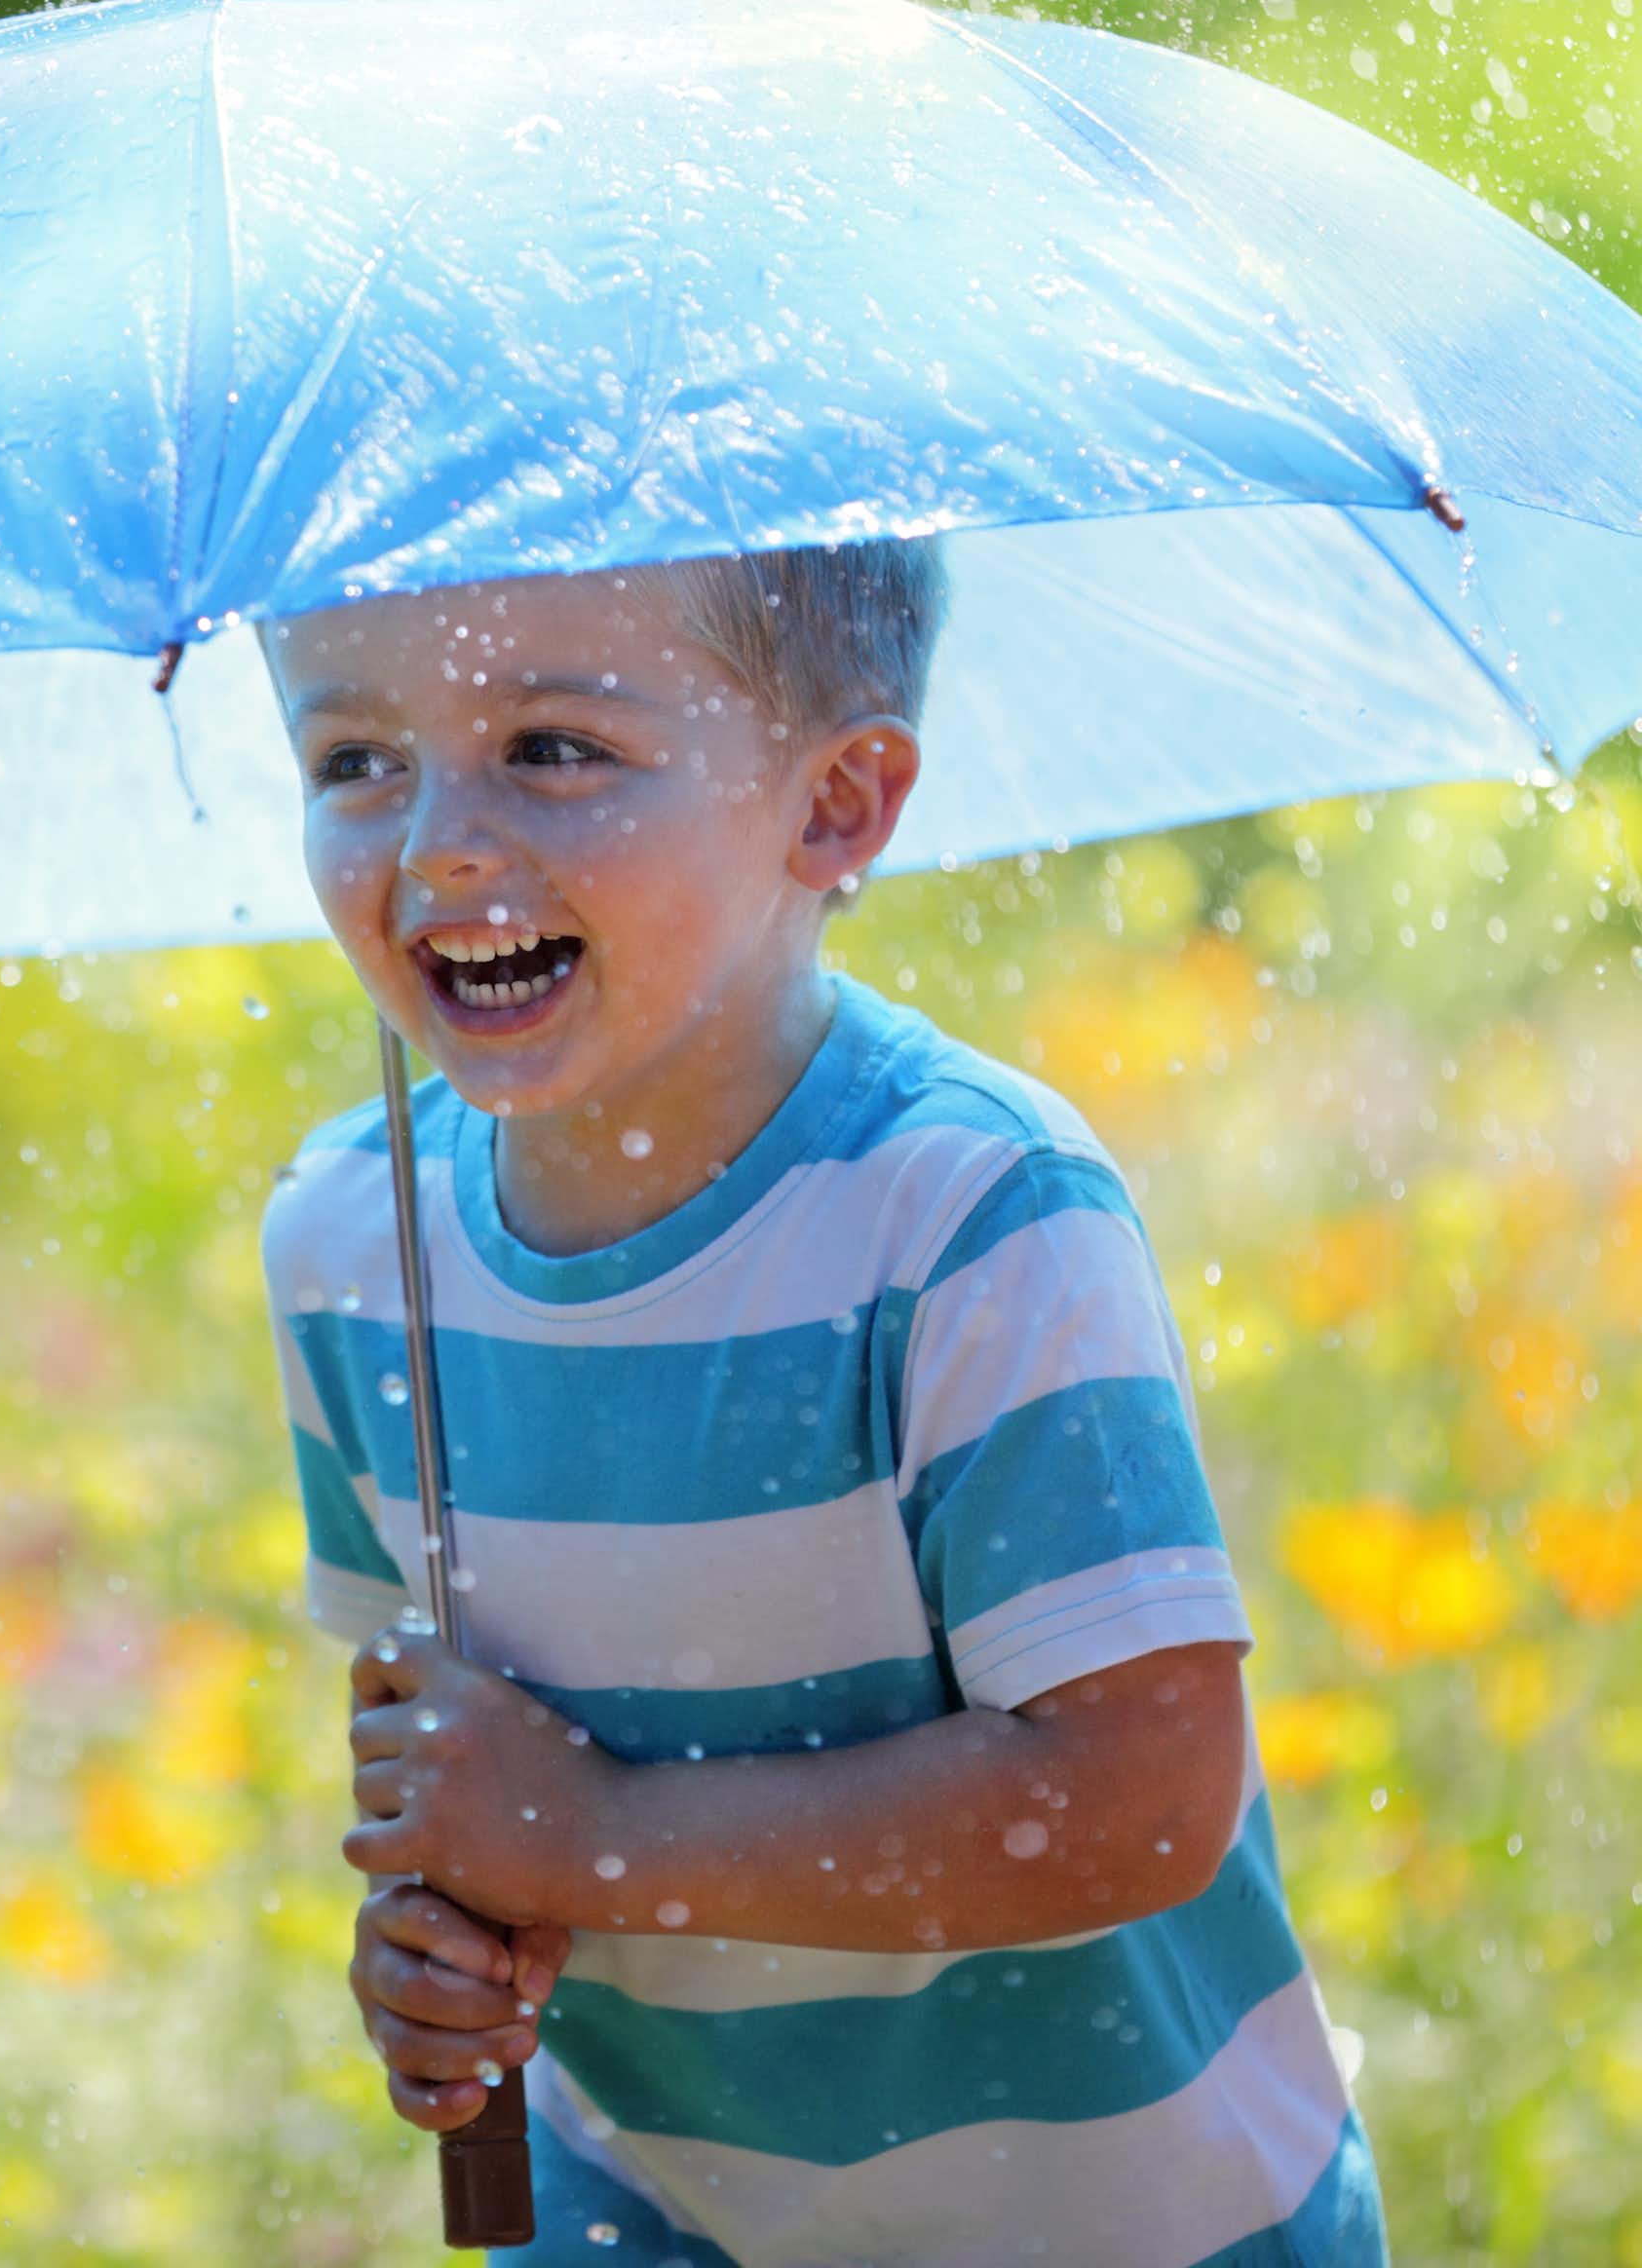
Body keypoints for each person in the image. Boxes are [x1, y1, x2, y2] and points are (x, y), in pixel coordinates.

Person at [254, 542, 1391, 2268]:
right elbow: (451, 1756)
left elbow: (1138, 1794)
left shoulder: (964, 1216)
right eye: (355, 762)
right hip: (648, 2206)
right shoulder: (354, 1243)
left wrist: (603, 1839)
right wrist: (447, 1932)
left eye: (553, 747)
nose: (436, 848)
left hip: (1117, 2224)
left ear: (837, 806)